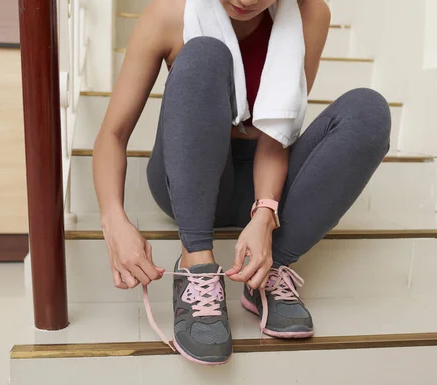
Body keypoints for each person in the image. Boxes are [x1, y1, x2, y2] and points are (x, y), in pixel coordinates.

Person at [93, 0, 391, 365]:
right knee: (204, 52)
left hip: (265, 178)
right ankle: (196, 264)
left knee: (368, 111)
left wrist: (265, 213)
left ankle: (266, 272)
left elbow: (276, 134)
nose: (246, 0)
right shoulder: (169, 13)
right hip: (190, 174)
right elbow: (112, 134)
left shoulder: (311, 14)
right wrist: (113, 217)